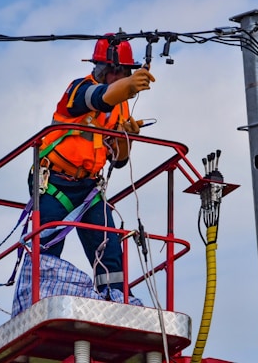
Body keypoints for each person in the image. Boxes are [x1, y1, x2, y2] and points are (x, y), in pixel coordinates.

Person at [12, 34, 155, 316]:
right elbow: (97, 99)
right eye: (119, 72)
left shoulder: (121, 106)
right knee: (46, 245)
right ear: (105, 69)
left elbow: (118, 161)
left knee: (109, 250)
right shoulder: (77, 90)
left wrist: (125, 140)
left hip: (89, 188)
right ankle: (36, 304)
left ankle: (117, 303)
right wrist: (126, 86)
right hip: (55, 182)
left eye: (125, 73)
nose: (122, 76)